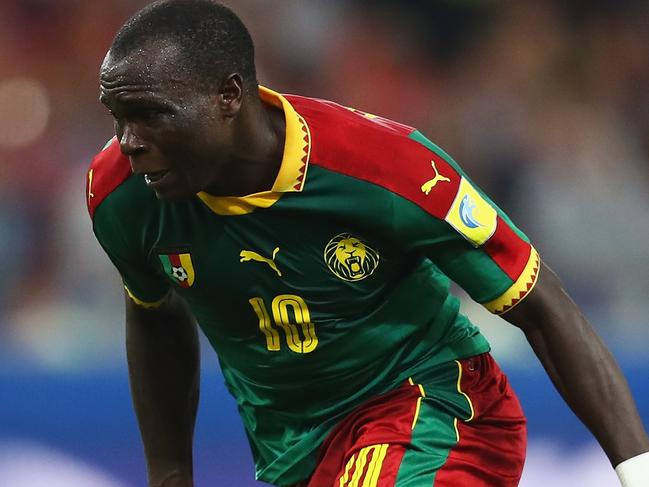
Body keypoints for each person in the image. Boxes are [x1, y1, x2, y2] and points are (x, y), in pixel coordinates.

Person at [87, 1, 649, 486]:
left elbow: (542, 303)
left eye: (150, 116)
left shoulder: (386, 168)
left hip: (435, 409)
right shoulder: (119, 197)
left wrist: (637, 469)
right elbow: (155, 315)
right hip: (298, 450)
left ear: (229, 95)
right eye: (117, 118)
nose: (129, 143)